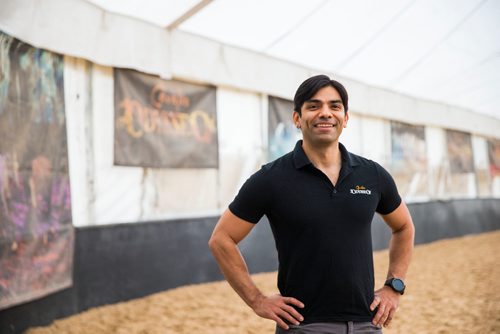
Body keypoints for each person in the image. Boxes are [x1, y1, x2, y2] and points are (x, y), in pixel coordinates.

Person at [208, 75, 415, 333]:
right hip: (303, 327)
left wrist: (394, 286)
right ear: (297, 118)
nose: (325, 113)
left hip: (367, 324)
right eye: (314, 106)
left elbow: (404, 227)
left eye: (334, 106)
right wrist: (256, 300)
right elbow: (221, 238)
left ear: (345, 118)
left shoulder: (372, 174)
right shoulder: (271, 178)